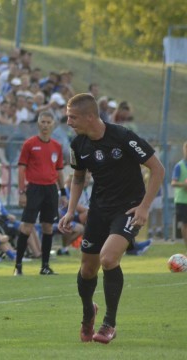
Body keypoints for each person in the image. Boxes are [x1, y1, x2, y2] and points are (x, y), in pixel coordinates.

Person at [59, 93, 164, 344]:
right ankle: (88, 312)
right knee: (87, 269)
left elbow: (157, 169)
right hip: (99, 209)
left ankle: (109, 324)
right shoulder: (78, 145)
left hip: (128, 209)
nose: (69, 121)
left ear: (90, 116)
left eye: (73, 117)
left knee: (108, 258)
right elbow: (78, 178)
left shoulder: (123, 137)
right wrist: (71, 210)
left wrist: (144, 207)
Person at [14, 111, 66, 276]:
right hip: (34, 189)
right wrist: (22, 191)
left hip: (50, 190)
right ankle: (18, 265)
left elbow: (59, 170)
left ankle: (45, 266)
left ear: (53, 125)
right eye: (42, 122)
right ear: (38, 124)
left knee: (48, 227)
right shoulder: (29, 144)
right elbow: (21, 168)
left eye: (48, 122)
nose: (45, 125)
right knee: (27, 226)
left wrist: (63, 191)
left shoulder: (57, 146)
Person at [170, 141, 187, 250]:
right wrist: (184, 184)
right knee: (185, 225)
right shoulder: (179, 166)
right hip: (182, 200)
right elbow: (173, 182)